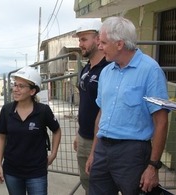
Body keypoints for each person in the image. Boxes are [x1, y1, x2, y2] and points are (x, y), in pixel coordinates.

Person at [85, 16, 169, 195]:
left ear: (120, 44)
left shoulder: (150, 71)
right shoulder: (107, 72)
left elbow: (161, 122)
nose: (99, 47)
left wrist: (153, 166)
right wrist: (94, 153)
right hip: (102, 149)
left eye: (104, 43)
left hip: (132, 153)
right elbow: (101, 114)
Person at [0, 66, 62, 195]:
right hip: (12, 171)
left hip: (36, 171)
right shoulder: (7, 110)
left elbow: (57, 131)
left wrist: (53, 154)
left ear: (32, 91)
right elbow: (1, 136)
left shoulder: (43, 111)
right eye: (15, 85)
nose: (15, 89)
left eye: (21, 86)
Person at [72, 19, 110, 195]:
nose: (80, 44)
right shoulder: (86, 68)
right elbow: (86, 103)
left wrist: (95, 145)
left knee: (100, 186)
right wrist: (78, 133)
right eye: (79, 40)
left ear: (97, 39)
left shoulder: (109, 69)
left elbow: (106, 110)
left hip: (101, 141)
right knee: (87, 184)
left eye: (84, 39)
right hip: (83, 137)